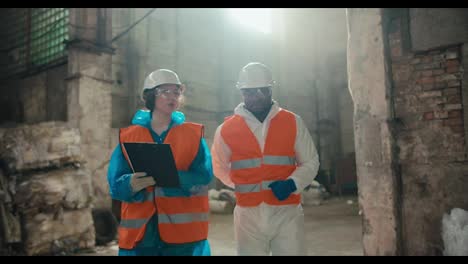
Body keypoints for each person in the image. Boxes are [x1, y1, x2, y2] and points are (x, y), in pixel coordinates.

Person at [211, 62, 320, 256]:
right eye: (251, 92)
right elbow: (218, 166)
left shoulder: (292, 121)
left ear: (271, 90)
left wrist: (292, 184)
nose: (258, 96)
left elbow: (311, 161)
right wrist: (239, 184)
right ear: (242, 93)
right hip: (247, 214)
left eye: (263, 90)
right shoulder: (226, 129)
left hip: (286, 212)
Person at [107, 69, 213, 256]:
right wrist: (129, 184)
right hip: (142, 235)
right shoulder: (129, 136)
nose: (172, 97)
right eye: (165, 92)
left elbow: (204, 176)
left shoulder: (193, 135)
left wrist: (174, 177)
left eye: (176, 92)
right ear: (149, 96)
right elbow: (115, 183)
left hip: (183, 239)